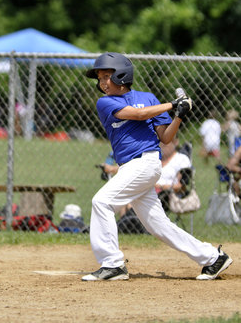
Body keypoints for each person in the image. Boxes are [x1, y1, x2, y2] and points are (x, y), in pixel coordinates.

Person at [82, 52, 232, 281]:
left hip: (145, 163)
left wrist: (178, 116)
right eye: (99, 79)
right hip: (131, 168)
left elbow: (166, 138)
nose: (102, 83)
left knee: (101, 202)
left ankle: (112, 264)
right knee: (158, 226)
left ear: (122, 75)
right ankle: (213, 258)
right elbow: (139, 114)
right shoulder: (105, 102)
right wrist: (172, 104)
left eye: (106, 76)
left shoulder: (149, 98)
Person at [155, 137, 192, 212]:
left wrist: (160, 187)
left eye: (167, 141)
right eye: (161, 141)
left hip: (168, 196)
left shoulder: (182, 159)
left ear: (176, 142)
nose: (162, 144)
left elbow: (181, 187)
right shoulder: (155, 159)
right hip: (150, 192)